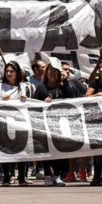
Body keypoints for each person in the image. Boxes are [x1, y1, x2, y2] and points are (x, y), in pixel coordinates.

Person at [33, 57, 82, 186]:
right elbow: (33, 106)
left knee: (60, 152)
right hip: (45, 126)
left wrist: (64, 81)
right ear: (47, 72)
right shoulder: (41, 88)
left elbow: (70, 100)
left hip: (61, 126)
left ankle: (59, 175)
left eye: (56, 71)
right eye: (51, 71)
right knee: (48, 152)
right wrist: (43, 104)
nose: (53, 73)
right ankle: (48, 175)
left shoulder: (63, 87)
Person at [0, 61, 31, 186]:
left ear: (17, 73)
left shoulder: (25, 87)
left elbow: (32, 104)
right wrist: (0, 100)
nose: (9, 73)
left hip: (21, 123)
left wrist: (26, 99)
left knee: (22, 152)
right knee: (6, 151)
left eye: (11, 71)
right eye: (7, 71)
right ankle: (7, 177)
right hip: (4, 123)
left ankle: (21, 177)